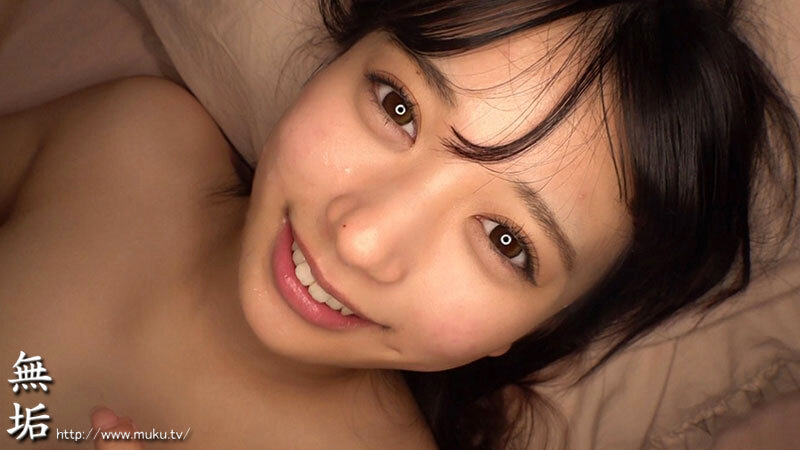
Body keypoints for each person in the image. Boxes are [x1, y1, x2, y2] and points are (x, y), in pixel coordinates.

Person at [1, 0, 798, 449]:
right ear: (337, 59)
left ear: (541, 327)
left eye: (506, 242)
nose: (361, 239)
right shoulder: (131, 143)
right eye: (398, 106)